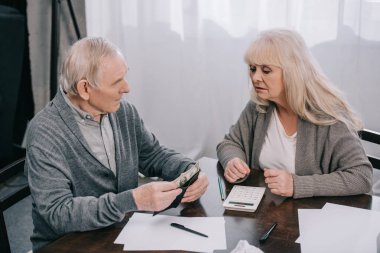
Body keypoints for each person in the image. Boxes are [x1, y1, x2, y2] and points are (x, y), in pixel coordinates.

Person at [25, 37, 208, 251]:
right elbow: (59, 213)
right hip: (67, 244)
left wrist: (190, 170)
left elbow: (153, 155)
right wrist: (131, 201)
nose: (127, 88)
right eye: (116, 82)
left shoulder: (123, 112)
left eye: (125, 76)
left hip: (120, 233)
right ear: (84, 89)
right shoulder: (45, 133)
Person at [217, 29, 372, 199]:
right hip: (268, 214)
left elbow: (362, 176)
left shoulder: (329, 117)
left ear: (292, 72)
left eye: (266, 70)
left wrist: (297, 185)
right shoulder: (258, 107)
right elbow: (230, 143)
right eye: (253, 69)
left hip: (317, 217)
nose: (255, 77)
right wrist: (232, 160)